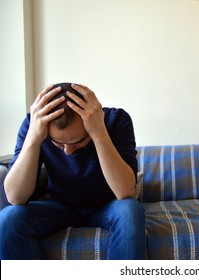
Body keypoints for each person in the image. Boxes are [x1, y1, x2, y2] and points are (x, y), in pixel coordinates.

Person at [0, 83, 145, 259]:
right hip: (60, 206)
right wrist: (33, 138)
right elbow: (15, 196)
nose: (68, 151)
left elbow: (125, 191)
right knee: (8, 219)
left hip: (107, 206)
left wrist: (99, 133)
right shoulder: (36, 125)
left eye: (77, 142)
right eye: (59, 144)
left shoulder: (117, 120)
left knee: (129, 210)